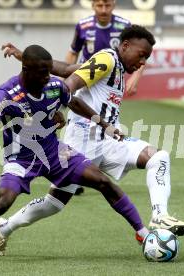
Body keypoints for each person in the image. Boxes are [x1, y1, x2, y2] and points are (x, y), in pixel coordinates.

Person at [0, 25, 184, 257]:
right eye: (142, 55)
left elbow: (68, 68)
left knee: (158, 157)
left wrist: (21, 55)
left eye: (147, 58)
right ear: (125, 46)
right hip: (80, 142)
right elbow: (69, 85)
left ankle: (159, 216)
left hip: (107, 141)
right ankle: (5, 227)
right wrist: (54, 109)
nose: (143, 63)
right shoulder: (107, 59)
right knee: (54, 202)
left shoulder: (116, 68)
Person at [0, 45, 149, 262]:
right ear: (26, 69)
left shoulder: (54, 85)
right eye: (43, 72)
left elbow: (76, 103)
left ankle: (143, 233)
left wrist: (105, 125)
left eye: (49, 70)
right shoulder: (4, 95)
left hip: (54, 152)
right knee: (3, 201)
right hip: (20, 158)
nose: (48, 76)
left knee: (101, 180)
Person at [67, 0, 143, 195]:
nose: (103, 10)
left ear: (114, 4)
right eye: (99, 5)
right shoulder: (83, 26)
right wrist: (66, 80)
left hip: (108, 87)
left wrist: (135, 76)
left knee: (105, 127)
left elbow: (140, 53)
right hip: (86, 84)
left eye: (107, 5)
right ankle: (74, 173)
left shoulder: (124, 26)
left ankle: (83, 171)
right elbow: (73, 53)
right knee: (80, 126)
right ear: (92, 5)